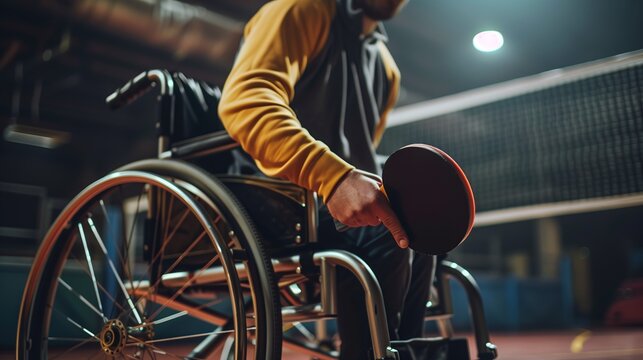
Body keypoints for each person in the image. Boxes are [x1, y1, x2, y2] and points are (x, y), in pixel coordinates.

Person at [218, 0, 436, 358]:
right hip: (272, 197)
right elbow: (244, 102)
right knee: (384, 226)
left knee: (420, 217)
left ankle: (393, 350)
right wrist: (332, 177)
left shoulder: (386, 70)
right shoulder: (300, 9)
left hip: (328, 206)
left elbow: (365, 155)